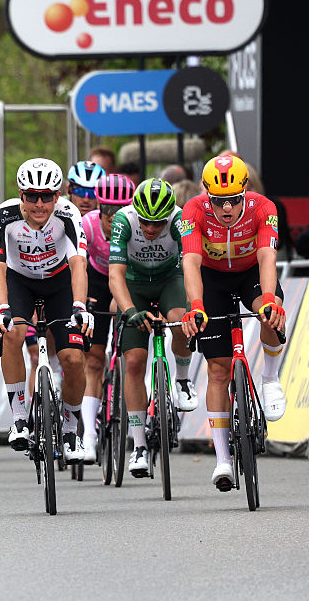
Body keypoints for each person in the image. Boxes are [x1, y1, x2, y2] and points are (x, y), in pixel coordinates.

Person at [180, 154, 286, 491]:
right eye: (219, 202)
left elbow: (267, 256)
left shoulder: (263, 208)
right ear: (207, 195)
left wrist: (269, 300)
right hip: (211, 279)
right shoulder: (193, 211)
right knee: (217, 370)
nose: (227, 209)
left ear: (245, 192)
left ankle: (270, 378)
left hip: (251, 273)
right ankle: (223, 459)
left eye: (234, 200)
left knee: (271, 313)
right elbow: (192, 262)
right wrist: (195, 306)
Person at [0, 158, 93, 462]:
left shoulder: (69, 214)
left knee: (73, 359)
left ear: (57, 196)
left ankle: (72, 432)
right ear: (21, 195)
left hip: (59, 282)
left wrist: (80, 306)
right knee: (12, 332)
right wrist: (2, 309)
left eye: (46, 196)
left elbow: (78, 264)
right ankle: (20, 417)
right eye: (32, 196)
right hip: (19, 281)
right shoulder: (3, 216)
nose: (39, 204)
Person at [108, 178, 195, 477]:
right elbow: (116, 275)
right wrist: (130, 311)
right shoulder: (123, 219)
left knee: (181, 322)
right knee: (134, 362)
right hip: (134, 284)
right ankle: (139, 446)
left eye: (157, 224)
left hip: (169, 279)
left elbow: (190, 266)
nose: (149, 228)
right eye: (145, 221)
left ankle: (182, 379)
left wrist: (194, 306)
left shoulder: (180, 219)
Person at [78, 174, 135, 462]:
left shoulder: (136, 225)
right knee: (94, 359)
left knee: (133, 353)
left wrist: (122, 294)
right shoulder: (87, 225)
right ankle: (88, 435)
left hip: (128, 277)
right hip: (96, 282)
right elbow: (75, 265)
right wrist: (82, 298)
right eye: (109, 211)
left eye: (122, 210)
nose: (115, 218)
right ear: (99, 209)